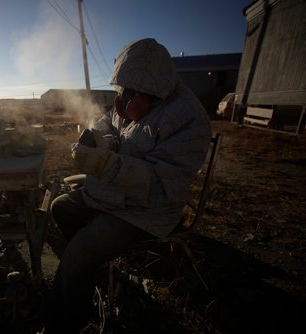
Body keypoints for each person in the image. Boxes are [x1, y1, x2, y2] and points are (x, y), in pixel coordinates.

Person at [44, 38, 212, 333]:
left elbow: (163, 185)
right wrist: (100, 139)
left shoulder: (189, 120)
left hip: (146, 209)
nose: (125, 100)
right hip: (113, 194)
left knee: (79, 250)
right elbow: (107, 122)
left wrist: (107, 166)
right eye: (124, 92)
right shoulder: (130, 97)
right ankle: (87, 272)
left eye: (134, 94)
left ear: (155, 93)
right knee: (61, 207)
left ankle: (65, 323)